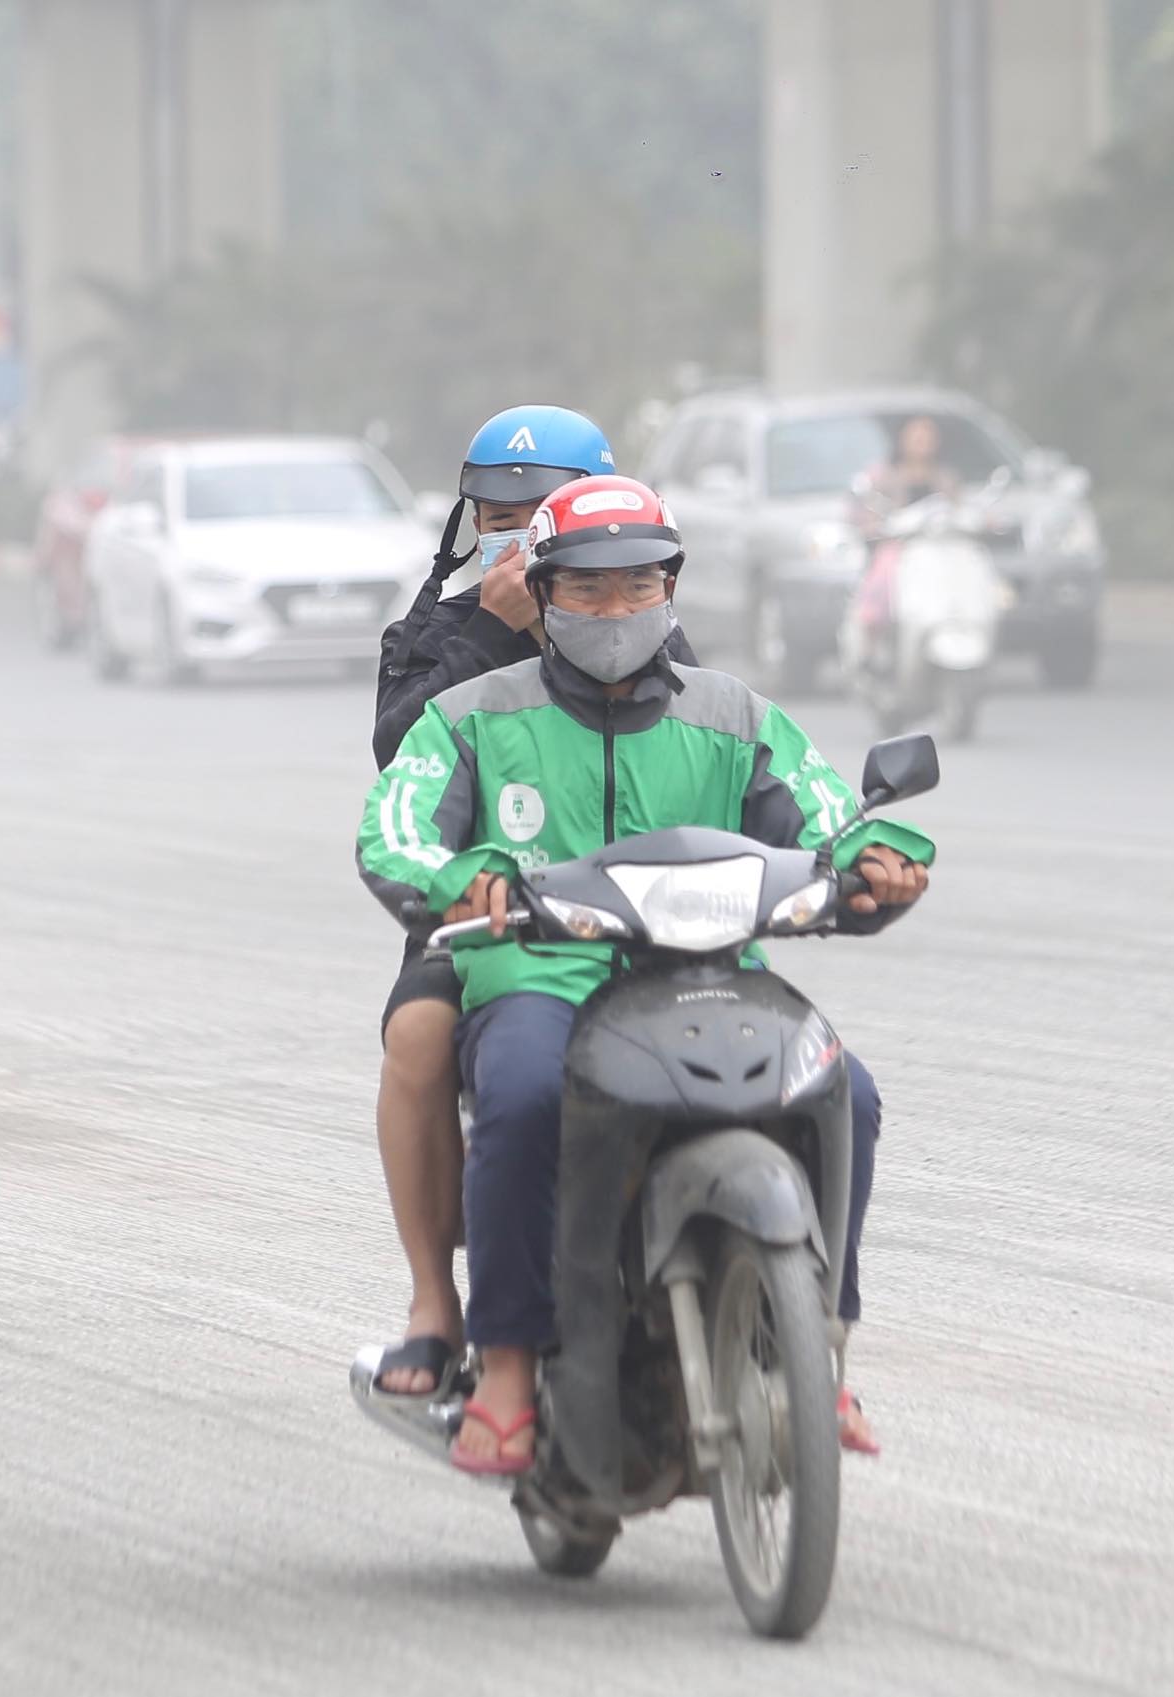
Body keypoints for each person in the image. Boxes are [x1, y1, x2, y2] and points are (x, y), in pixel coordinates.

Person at [357, 475, 934, 1471]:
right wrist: (459, 877)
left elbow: (831, 811)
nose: (614, 609)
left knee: (849, 1093)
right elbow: (395, 827)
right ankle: (501, 1362)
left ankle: (819, 1349)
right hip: (538, 975)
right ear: (538, 594)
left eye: (636, 585)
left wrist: (876, 850)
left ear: (670, 585)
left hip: (709, 971)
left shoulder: (735, 714)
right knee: (524, 1096)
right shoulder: (468, 717)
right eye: (584, 589)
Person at [366, 408, 696, 1404]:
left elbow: (710, 728)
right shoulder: (436, 627)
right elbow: (397, 756)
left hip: (646, 904)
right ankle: (436, 1303)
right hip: (486, 909)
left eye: (532, 509)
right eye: (493, 512)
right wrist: (490, 630)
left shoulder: (640, 607)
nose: (511, 527)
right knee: (422, 1035)